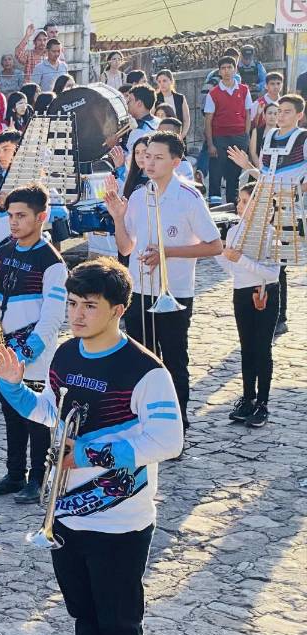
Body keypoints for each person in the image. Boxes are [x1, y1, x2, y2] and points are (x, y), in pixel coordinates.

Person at [0, 257, 183, 635]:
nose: (77, 314)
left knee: (119, 625)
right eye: (73, 303)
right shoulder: (64, 354)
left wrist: (89, 455)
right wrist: (13, 386)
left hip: (120, 521)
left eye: (90, 305)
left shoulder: (146, 370)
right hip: (67, 515)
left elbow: (169, 440)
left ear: (118, 309)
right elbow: (50, 413)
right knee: (85, 619)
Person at [105, 132, 224, 441]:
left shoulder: (189, 197)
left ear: (175, 161)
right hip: (140, 289)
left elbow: (214, 245)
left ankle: (177, 427)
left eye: (158, 157)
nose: (150, 162)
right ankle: (143, 424)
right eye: (146, 156)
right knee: (139, 359)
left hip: (175, 292)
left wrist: (167, 252)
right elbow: (126, 247)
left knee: (174, 360)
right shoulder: (140, 195)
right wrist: (118, 217)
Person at [0, 183, 68, 503]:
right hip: (2, 348)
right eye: (10, 215)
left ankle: (38, 478)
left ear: (42, 217)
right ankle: (14, 474)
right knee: (10, 413)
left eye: (21, 215)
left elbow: (53, 316)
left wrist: (27, 351)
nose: (13, 221)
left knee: (35, 417)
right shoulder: (2, 251)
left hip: (32, 355)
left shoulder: (52, 263)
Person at [228, 94, 307, 338]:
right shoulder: (270, 135)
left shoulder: (303, 138)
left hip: (289, 206)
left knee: (279, 263)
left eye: (286, 111)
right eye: (278, 111)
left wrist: (294, 192)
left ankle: (279, 316)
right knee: (263, 255)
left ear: (299, 115)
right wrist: (248, 167)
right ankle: (262, 305)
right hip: (265, 203)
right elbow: (265, 174)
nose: (280, 115)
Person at [213, 183, 278, 428]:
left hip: (265, 293)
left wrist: (241, 258)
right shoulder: (234, 232)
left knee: (262, 348)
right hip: (241, 293)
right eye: (239, 201)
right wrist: (219, 252)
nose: (238, 206)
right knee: (247, 348)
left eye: (243, 201)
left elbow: (271, 274)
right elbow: (232, 271)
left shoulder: (271, 234)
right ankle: (248, 397)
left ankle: (263, 402)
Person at [205, 57, 255, 206]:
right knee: (215, 174)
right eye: (223, 68)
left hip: (239, 137)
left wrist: (245, 136)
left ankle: (233, 207)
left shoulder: (244, 90)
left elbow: (248, 114)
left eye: (229, 67)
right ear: (219, 71)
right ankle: (215, 207)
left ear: (235, 69)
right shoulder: (213, 93)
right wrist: (210, 144)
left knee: (234, 175)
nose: (226, 71)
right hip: (219, 138)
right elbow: (208, 120)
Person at [123, 84, 158, 159]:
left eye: (130, 100)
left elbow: (131, 162)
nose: (127, 103)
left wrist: (114, 145)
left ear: (139, 103)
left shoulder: (138, 131)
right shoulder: (159, 121)